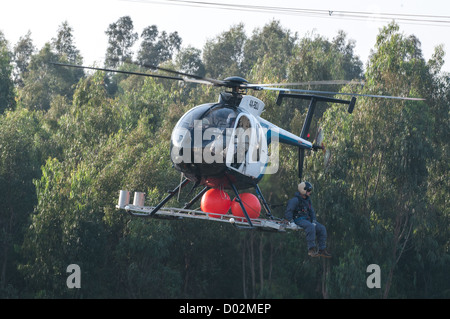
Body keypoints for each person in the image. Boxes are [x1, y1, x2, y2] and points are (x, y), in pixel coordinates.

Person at [285, 182, 331, 258]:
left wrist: (314, 221)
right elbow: (288, 212)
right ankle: (311, 249)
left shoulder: (308, 201)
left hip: (307, 219)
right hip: (298, 219)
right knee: (310, 227)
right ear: (303, 190)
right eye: (308, 190)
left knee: (322, 228)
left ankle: (322, 249)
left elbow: (311, 212)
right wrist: (291, 222)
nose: (310, 192)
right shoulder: (295, 200)